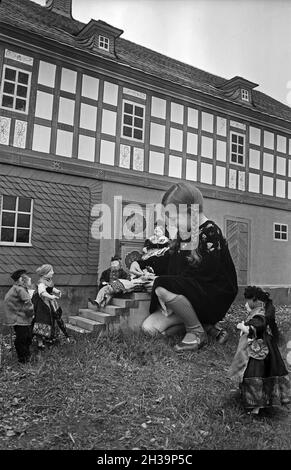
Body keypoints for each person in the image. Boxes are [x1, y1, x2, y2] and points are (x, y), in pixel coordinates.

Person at [142, 182, 238, 352]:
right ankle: (205, 327)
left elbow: (204, 276)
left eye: (174, 217)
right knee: (149, 328)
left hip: (211, 296)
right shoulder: (184, 233)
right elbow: (169, 259)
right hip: (189, 295)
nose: (172, 223)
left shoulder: (210, 232)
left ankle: (196, 333)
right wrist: (142, 263)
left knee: (162, 287)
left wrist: (160, 282)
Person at [229, 286, 290, 414]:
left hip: (259, 350)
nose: (246, 304)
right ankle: (255, 401)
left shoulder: (260, 313)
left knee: (255, 372)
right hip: (259, 346)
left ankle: (256, 404)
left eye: (247, 301)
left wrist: (244, 327)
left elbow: (259, 325)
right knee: (261, 371)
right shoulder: (261, 310)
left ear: (255, 300)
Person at [32, 264, 69, 349]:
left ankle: (50, 337)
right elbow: (42, 292)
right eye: (51, 271)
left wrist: (57, 291)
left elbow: (50, 288)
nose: (53, 272)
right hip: (42, 305)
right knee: (42, 320)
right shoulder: (41, 283)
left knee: (53, 319)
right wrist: (51, 296)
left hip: (49, 303)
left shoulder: (48, 280)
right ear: (45, 274)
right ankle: (40, 342)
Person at [3, 269, 34, 363]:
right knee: (22, 339)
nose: (30, 281)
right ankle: (24, 359)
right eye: (28, 279)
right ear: (22, 280)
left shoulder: (15, 288)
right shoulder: (20, 289)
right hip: (21, 319)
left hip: (18, 318)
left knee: (26, 337)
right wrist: (31, 314)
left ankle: (26, 356)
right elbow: (28, 303)